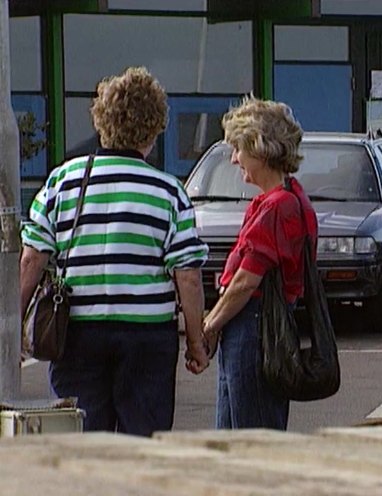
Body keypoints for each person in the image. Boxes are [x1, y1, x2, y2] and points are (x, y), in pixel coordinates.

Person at [19, 67, 210, 436]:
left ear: (101, 122)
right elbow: (187, 275)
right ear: (155, 128)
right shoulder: (169, 192)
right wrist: (197, 342)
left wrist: (10, 329)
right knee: (144, 439)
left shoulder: (64, 179)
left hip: (76, 332)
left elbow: (32, 257)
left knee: (83, 438)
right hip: (147, 336)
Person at [202, 96, 318, 430]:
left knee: (248, 434)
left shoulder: (278, 206)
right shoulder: (286, 198)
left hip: (254, 328)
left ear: (260, 148)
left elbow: (245, 281)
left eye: (239, 148)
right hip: (255, 326)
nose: (235, 158)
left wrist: (209, 326)